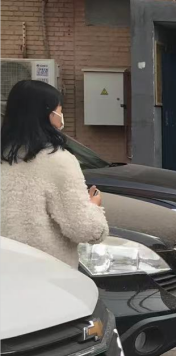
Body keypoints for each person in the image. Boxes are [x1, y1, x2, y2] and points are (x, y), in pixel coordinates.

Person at [0, 79, 108, 266]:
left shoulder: (5, 158)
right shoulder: (58, 161)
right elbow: (86, 229)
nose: (61, 116)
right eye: (59, 110)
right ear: (47, 114)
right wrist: (94, 205)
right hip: (48, 273)